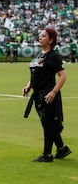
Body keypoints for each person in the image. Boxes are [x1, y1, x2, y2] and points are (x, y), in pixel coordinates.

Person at [22, 27, 72, 162]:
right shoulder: (40, 55)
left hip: (48, 94)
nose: (40, 37)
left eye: (43, 36)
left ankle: (47, 154)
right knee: (47, 123)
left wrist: (54, 91)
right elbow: (35, 74)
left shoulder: (53, 56)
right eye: (40, 35)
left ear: (51, 40)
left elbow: (63, 75)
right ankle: (61, 149)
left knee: (48, 124)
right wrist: (28, 86)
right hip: (38, 94)